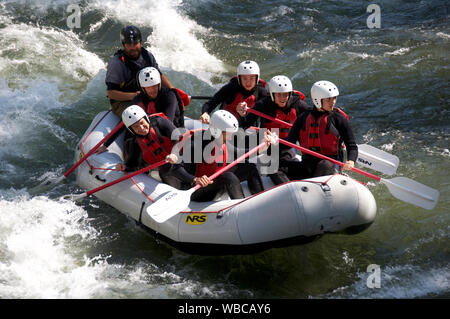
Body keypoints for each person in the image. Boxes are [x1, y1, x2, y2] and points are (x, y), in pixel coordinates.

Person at [174, 110, 276, 202]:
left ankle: (261, 200)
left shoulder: (221, 139)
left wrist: (260, 150)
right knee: (229, 176)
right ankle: (241, 206)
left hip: (215, 182)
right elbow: (176, 167)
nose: (230, 136)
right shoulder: (196, 144)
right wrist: (195, 179)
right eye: (228, 133)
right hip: (197, 190)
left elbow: (238, 153)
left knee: (250, 167)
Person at [237, 75, 312, 184]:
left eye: (285, 94)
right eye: (279, 95)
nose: (283, 98)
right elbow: (245, 124)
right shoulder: (263, 104)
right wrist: (241, 114)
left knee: (278, 165)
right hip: (265, 143)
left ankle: (291, 180)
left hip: (286, 146)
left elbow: (315, 119)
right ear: (272, 94)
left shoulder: (299, 105)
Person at [279, 81, 358, 179]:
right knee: (279, 166)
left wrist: (351, 160)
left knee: (324, 165)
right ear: (317, 100)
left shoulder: (339, 118)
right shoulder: (303, 117)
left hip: (331, 164)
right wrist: (273, 143)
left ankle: (309, 187)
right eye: (328, 99)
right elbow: (289, 143)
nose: (333, 101)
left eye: (334, 98)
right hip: (308, 164)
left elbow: (352, 146)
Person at [105, 25, 174, 117]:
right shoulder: (117, 64)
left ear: (140, 42)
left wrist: (173, 91)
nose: (132, 47)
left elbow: (159, 76)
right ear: (123, 44)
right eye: (129, 44)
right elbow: (111, 94)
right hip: (124, 101)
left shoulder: (147, 56)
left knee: (171, 97)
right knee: (139, 116)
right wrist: (134, 96)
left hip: (147, 95)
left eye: (135, 43)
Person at [114, 105, 189, 188]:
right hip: (168, 168)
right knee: (166, 171)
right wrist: (124, 166)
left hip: (183, 156)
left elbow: (178, 137)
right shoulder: (135, 142)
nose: (141, 128)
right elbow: (133, 163)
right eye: (136, 127)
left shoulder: (160, 123)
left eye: (142, 123)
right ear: (131, 130)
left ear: (146, 119)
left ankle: (194, 180)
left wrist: (174, 153)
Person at [199, 60, 267, 125]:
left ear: (257, 78)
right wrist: (205, 113)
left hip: (247, 126)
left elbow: (265, 115)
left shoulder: (261, 92)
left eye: (252, 78)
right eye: (244, 78)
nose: (248, 82)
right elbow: (211, 103)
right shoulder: (231, 88)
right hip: (224, 123)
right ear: (239, 78)